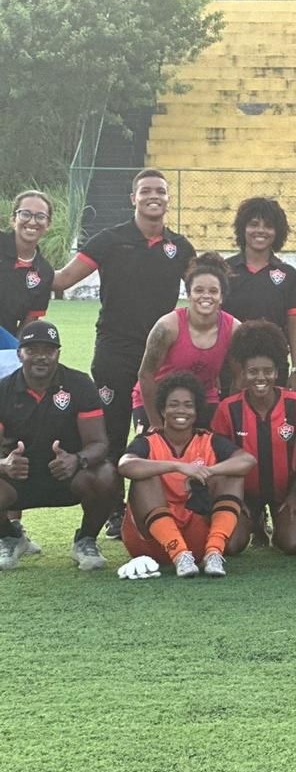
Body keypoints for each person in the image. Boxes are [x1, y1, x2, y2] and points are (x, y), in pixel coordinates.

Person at [53, 168, 195, 538]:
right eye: (146, 190)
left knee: (161, 429)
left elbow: (208, 287)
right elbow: (62, 280)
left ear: (168, 199)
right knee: (113, 430)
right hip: (115, 350)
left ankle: (167, 506)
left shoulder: (179, 248)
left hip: (162, 353)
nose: (154, 196)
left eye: (160, 191)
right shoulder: (110, 240)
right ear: (133, 198)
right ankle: (116, 512)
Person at [0, 321, 115, 571]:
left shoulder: (80, 384)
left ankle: (85, 539)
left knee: (107, 474)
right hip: (18, 480)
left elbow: (99, 443)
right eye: (32, 350)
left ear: (58, 354)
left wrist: (77, 459)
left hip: (67, 478)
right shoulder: (3, 390)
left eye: (48, 350)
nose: (41, 357)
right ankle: (9, 535)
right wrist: (5, 464)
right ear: (19, 353)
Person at [117, 372, 255, 578]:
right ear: (162, 410)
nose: (181, 410)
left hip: (196, 538)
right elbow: (125, 465)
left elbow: (247, 461)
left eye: (188, 405)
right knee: (145, 476)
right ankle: (179, 554)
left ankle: (214, 553)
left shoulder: (208, 440)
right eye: (173, 404)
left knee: (232, 474)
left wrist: (208, 471)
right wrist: (177, 467)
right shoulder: (148, 441)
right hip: (152, 542)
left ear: (196, 411)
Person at [211, 321, 296, 555]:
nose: (261, 377)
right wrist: (234, 499)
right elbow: (220, 459)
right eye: (253, 371)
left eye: (267, 371)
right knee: (230, 545)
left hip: (287, 492)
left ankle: (280, 523)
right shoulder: (228, 409)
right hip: (243, 493)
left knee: (293, 544)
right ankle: (254, 520)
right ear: (243, 374)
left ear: (277, 373)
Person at [134, 253, 239, 430]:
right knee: (159, 453)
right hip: (159, 397)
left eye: (213, 291)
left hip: (204, 398)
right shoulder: (167, 327)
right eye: (198, 290)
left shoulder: (234, 329)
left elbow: (240, 375)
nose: (206, 296)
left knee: (207, 453)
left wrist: (229, 413)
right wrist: (156, 424)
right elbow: (145, 375)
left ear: (221, 297)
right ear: (189, 294)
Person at [223, 197, 296, 392]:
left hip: (274, 366)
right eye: (253, 224)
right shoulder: (225, 270)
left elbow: (294, 324)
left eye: (268, 226)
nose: (260, 230)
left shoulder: (288, 274)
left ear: (277, 232)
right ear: (243, 229)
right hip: (231, 365)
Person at [1, 191, 55, 337]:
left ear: (48, 223)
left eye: (40, 216)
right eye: (25, 214)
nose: (32, 221)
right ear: (13, 219)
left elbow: (29, 322)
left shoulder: (44, 273)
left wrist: (13, 351)